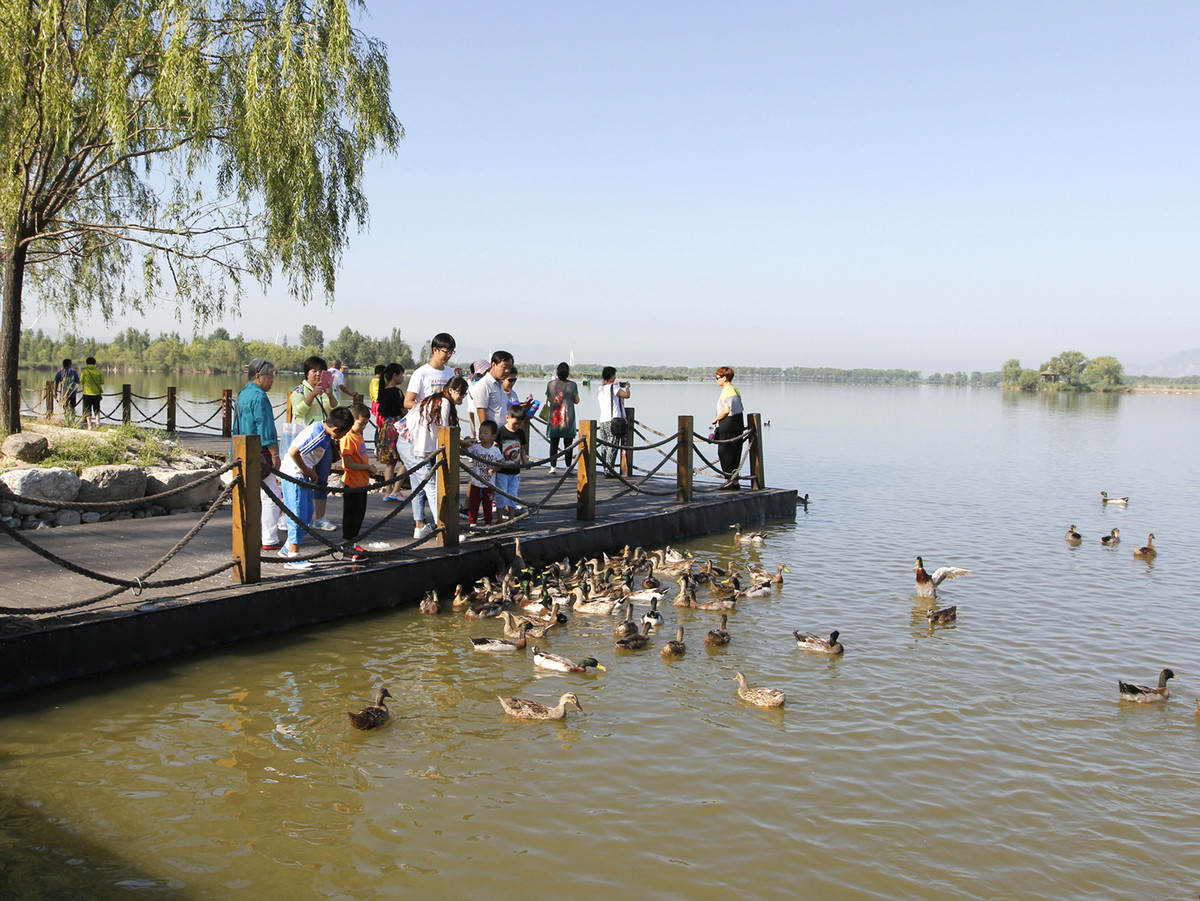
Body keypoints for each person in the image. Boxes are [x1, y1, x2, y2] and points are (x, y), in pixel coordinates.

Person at [279, 406, 354, 569]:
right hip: (294, 475)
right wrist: (307, 471)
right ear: (335, 429)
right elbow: (294, 452)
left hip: (304, 474)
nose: (343, 437)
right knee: (298, 513)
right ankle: (293, 556)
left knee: (307, 513)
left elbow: (310, 455)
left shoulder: (324, 431)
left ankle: (287, 548)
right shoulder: (319, 435)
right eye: (344, 433)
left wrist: (311, 471)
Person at [407, 374, 473, 539]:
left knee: (419, 487)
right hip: (414, 445)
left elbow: (444, 431)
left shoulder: (437, 399)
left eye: (465, 395)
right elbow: (445, 432)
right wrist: (464, 443)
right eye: (461, 394)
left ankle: (420, 528)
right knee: (432, 488)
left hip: (408, 442)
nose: (462, 398)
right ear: (451, 390)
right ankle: (444, 529)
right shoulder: (443, 402)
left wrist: (463, 441)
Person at [232, 358, 283, 550]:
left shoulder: (241, 395)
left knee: (249, 496)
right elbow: (266, 428)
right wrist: (275, 455)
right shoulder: (260, 397)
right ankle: (269, 538)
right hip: (260, 454)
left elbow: (235, 426)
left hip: (242, 452)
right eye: (270, 377)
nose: (272, 381)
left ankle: (246, 534)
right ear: (257, 376)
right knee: (272, 496)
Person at [289, 355, 340, 531]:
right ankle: (289, 515)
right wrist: (312, 394)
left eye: (321, 370)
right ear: (307, 373)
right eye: (314, 371)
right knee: (298, 478)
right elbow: (298, 411)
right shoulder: (299, 391)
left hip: (324, 441)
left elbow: (335, 410)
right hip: (305, 441)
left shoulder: (327, 389)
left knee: (322, 480)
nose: (318, 374)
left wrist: (330, 395)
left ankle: (320, 518)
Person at [339, 403, 378, 561]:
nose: (362, 427)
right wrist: (367, 466)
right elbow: (347, 463)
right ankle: (347, 546)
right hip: (351, 483)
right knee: (350, 516)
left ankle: (354, 543)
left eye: (365, 424)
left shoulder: (359, 436)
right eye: (360, 423)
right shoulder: (348, 438)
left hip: (362, 483)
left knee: (359, 515)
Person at [374, 362, 408, 501]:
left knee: (390, 462)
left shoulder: (383, 391)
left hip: (386, 426)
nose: (403, 377)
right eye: (402, 375)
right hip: (398, 426)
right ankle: (396, 489)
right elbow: (404, 411)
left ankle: (388, 492)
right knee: (407, 459)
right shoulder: (397, 392)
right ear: (395, 376)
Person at [711, 366, 745, 490]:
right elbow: (741, 408)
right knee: (735, 452)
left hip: (728, 425)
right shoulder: (735, 389)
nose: (716, 380)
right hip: (738, 424)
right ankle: (734, 481)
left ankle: (728, 481)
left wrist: (716, 419)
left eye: (717, 378)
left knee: (724, 453)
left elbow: (726, 410)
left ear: (724, 378)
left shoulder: (726, 391)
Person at [495, 404, 529, 522]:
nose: (516, 426)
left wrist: (525, 460)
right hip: (502, 471)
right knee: (500, 495)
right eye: (514, 423)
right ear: (507, 418)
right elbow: (494, 447)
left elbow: (522, 448)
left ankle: (511, 520)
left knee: (513, 496)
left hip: (515, 471)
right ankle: (499, 519)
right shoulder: (501, 431)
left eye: (519, 424)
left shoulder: (520, 433)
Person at [469, 350, 514, 438]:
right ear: (493, 365)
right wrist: (487, 436)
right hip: (489, 440)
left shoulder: (500, 384)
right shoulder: (484, 384)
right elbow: (481, 411)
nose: (507, 371)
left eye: (510, 368)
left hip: (501, 435)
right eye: (504, 367)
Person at [545, 362, 580, 473]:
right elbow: (576, 400)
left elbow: (549, 399)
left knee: (554, 443)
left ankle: (552, 467)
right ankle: (568, 467)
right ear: (568, 373)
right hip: (567, 418)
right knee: (568, 444)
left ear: (557, 372)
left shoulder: (550, 384)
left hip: (554, 417)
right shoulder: (572, 385)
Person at [467, 419, 503, 526]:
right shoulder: (476, 448)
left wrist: (494, 469)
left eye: (485, 433)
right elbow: (465, 452)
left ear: (493, 436)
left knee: (488, 505)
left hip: (489, 483)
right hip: (476, 482)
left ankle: (488, 523)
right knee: (474, 504)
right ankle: (472, 523)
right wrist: (465, 443)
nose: (481, 435)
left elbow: (500, 463)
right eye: (480, 432)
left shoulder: (495, 450)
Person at [597, 367, 630, 477]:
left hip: (603, 420)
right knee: (613, 445)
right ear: (611, 376)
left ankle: (605, 468)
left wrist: (615, 385)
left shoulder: (600, 388)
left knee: (605, 445)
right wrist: (627, 387)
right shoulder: (614, 388)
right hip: (613, 420)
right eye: (614, 375)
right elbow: (626, 395)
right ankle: (609, 470)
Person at [80, 356, 105, 430]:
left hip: (87, 393)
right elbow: (102, 382)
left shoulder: (84, 372)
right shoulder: (98, 371)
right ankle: (97, 423)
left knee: (88, 409)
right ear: (94, 363)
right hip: (96, 393)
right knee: (97, 408)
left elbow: (81, 381)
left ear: (87, 363)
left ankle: (89, 425)